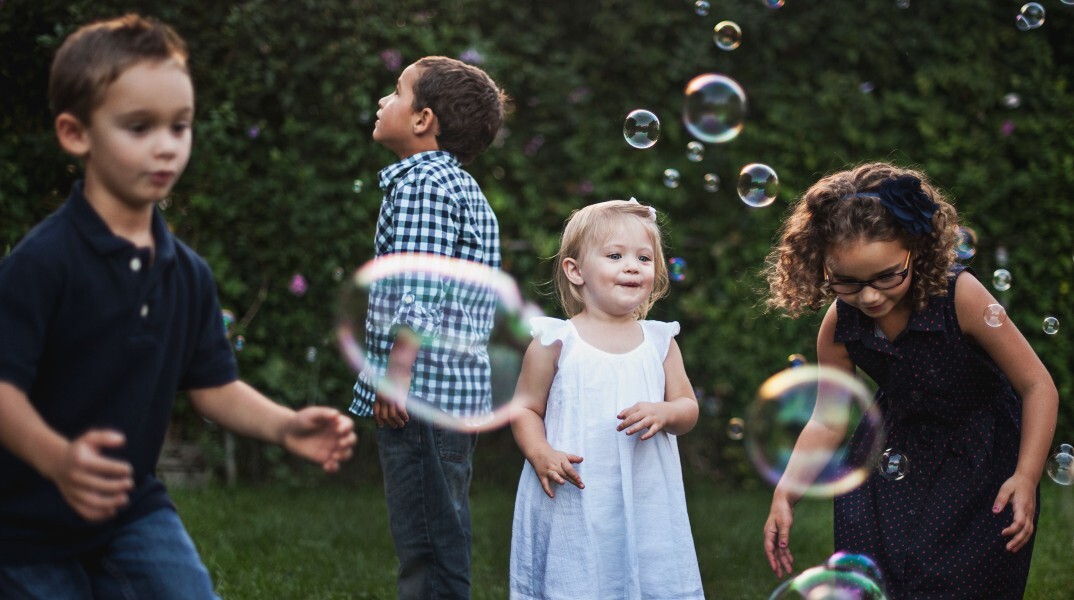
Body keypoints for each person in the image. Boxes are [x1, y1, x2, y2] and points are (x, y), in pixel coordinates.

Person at [0, 14, 357, 599]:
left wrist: (286, 425)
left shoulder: (186, 274)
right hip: (23, 521)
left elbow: (213, 386)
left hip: (129, 509)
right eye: (139, 127)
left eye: (180, 125)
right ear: (76, 133)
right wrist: (60, 459)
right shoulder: (43, 264)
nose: (166, 145)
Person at [760, 162, 1058, 598]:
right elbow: (827, 420)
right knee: (881, 576)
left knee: (959, 579)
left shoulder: (960, 297)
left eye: (887, 276)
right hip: (892, 455)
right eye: (846, 282)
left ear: (916, 250)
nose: (869, 296)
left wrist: (1026, 476)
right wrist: (786, 493)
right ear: (821, 266)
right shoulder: (840, 324)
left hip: (978, 454)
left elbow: (1037, 386)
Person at [349, 55, 507, 598]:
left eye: (396, 91)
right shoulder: (455, 184)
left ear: (423, 119)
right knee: (441, 529)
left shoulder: (424, 183)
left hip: (421, 393)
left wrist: (396, 374)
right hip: (446, 395)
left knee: (428, 544)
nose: (382, 101)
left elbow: (421, 285)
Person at [509, 199, 705, 599]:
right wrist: (540, 452)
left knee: (647, 575)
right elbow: (525, 407)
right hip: (575, 494)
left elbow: (688, 408)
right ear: (575, 271)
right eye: (615, 256)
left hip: (645, 494)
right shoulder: (556, 341)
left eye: (644, 258)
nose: (632, 266)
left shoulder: (659, 341)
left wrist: (666, 411)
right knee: (578, 579)